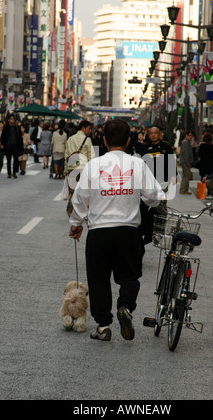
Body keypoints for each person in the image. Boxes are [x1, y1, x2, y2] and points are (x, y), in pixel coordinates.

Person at [69, 119, 165, 342]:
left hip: (99, 231)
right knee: (130, 276)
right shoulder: (137, 164)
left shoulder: (93, 165)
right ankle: (126, 307)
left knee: (98, 278)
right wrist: (146, 203)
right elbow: (155, 195)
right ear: (129, 140)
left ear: (103, 140)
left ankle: (103, 326)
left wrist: (76, 224)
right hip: (128, 230)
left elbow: (80, 199)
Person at [64, 120, 95, 216]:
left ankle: (70, 212)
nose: (90, 131)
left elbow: (66, 155)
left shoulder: (70, 139)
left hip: (72, 168)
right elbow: (92, 157)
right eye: (89, 129)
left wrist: (66, 170)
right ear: (83, 128)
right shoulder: (87, 140)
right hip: (84, 169)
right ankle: (83, 212)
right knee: (84, 191)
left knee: (72, 192)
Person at [0, 114, 23, 178]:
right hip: (8, 145)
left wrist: (21, 146)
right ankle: (9, 173)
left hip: (15, 145)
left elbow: (20, 137)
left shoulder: (17, 127)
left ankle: (14, 172)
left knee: (16, 159)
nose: (12, 120)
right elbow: (3, 136)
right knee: (8, 160)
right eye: (11, 119)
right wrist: (2, 144)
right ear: (8, 120)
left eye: (13, 119)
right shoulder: (6, 127)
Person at [179, 130, 194, 195]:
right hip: (185, 162)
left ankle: (183, 190)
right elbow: (186, 153)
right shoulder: (185, 142)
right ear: (186, 135)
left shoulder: (186, 142)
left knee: (186, 175)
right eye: (189, 135)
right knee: (186, 176)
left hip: (184, 161)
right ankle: (184, 190)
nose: (191, 137)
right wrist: (188, 162)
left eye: (191, 135)